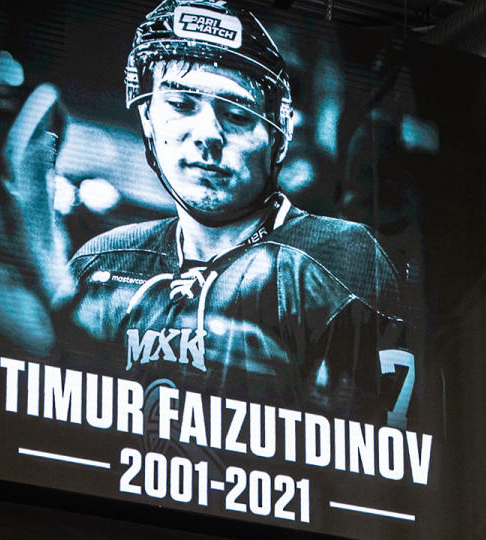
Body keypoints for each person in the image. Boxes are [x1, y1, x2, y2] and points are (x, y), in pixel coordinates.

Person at [61, 0, 405, 421]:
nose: (208, 134)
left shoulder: (339, 257)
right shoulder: (105, 259)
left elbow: (383, 440)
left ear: (278, 136)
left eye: (236, 113)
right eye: (182, 104)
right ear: (147, 118)